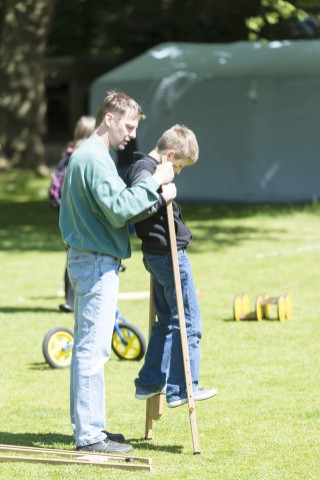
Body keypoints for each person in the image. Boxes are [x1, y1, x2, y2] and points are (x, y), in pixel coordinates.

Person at [59, 90, 176, 454]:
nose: (130, 135)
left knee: (91, 349)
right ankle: (90, 436)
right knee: (93, 351)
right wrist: (155, 183)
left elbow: (113, 206)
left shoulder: (92, 156)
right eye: (127, 126)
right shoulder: (93, 159)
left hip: (90, 259)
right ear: (108, 118)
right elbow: (118, 208)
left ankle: (93, 429)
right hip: (95, 262)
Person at [125, 124, 217, 408]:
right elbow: (136, 208)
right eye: (179, 165)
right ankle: (182, 388)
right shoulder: (145, 170)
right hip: (168, 255)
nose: (178, 171)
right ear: (170, 153)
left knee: (165, 321)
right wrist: (162, 194)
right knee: (188, 321)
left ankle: (150, 381)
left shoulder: (147, 167)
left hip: (158, 255)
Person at [49, 115, 96, 313]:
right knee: (78, 252)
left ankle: (72, 299)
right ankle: (75, 299)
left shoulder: (67, 152)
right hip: (76, 208)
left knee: (72, 251)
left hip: (64, 208)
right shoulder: (84, 152)